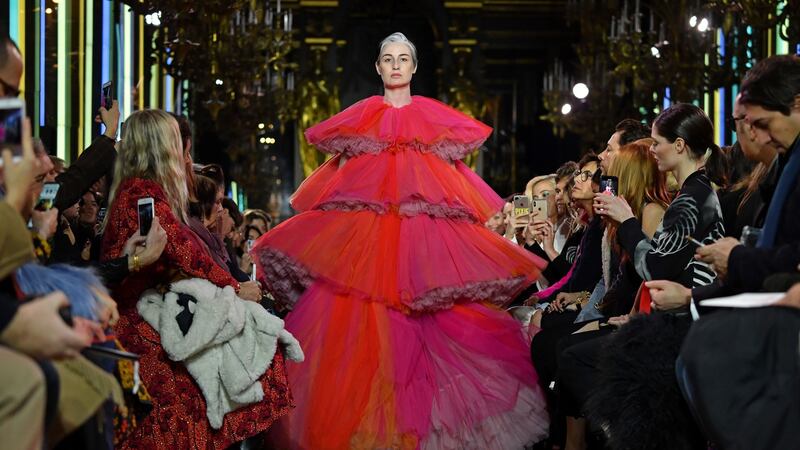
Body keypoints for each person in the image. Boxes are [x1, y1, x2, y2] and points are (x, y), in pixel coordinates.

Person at [252, 32, 550, 448]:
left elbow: (449, 196)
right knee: (361, 346)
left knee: (427, 336)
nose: (395, 65)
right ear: (378, 67)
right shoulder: (361, 123)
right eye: (388, 58)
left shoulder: (431, 124)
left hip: (420, 256)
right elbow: (340, 193)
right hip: (366, 255)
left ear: (413, 67)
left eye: (403, 58)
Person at [100, 109, 289, 449]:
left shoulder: (135, 192)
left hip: (144, 326)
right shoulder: (143, 194)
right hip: (143, 335)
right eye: (179, 147)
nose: (186, 159)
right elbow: (188, 254)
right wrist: (237, 289)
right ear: (163, 150)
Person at [560, 103, 727, 450]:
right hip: (678, 318)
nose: (652, 151)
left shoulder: (693, 198)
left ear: (679, 146)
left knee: (579, 360)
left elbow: (655, 266)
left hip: (683, 325)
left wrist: (627, 221)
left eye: (656, 143)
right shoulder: (693, 193)